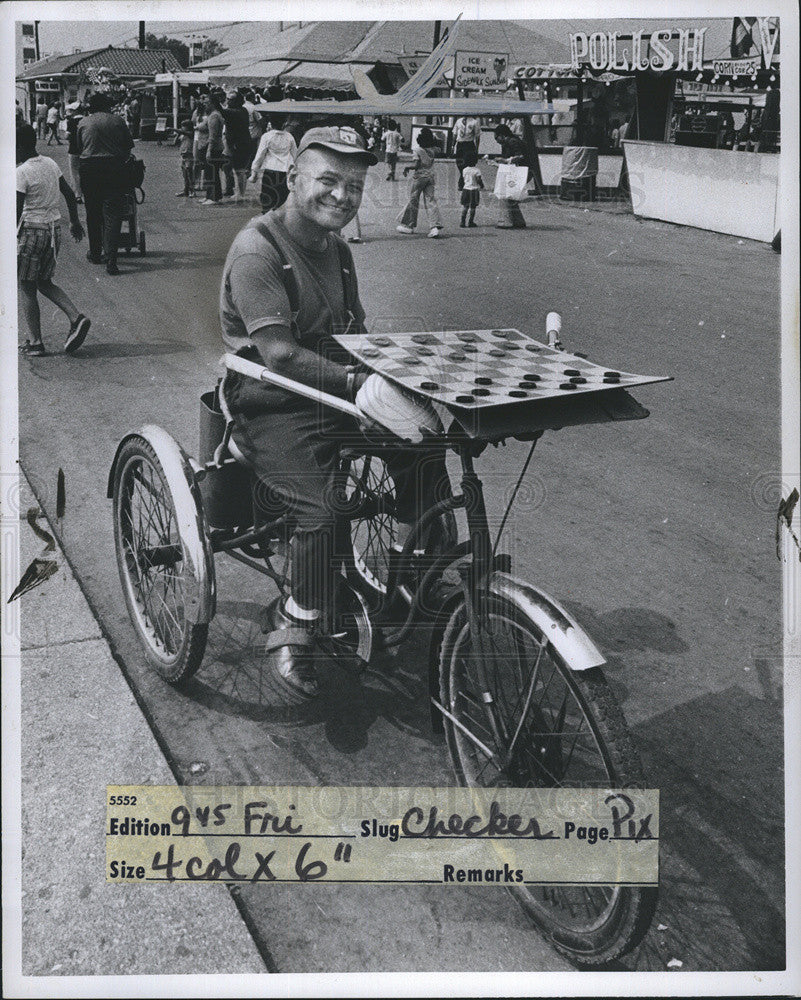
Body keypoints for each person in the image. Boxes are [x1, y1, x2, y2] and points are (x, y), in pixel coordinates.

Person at [218, 125, 449, 700]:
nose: (342, 196)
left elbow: (357, 334)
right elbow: (278, 353)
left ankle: (405, 578)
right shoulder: (258, 249)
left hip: (337, 388)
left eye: (354, 185)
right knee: (321, 515)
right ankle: (297, 622)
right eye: (328, 181)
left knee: (426, 452)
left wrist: (399, 381)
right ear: (293, 178)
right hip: (271, 399)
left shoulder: (338, 249)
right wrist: (358, 382)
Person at [16, 124, 91, 357]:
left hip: (31, 232)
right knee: (44, 282)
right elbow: (69, 195)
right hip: (52, 232)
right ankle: (76, 317)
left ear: (19, 146)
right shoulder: (50, 163)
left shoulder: (21, 172)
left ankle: (36, 342)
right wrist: (75, 223)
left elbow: (16, 211)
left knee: (27, 287)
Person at [77, 91, 134, 275]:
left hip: (89, 170)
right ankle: (112, 259)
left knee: (93, 213)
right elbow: (128, 148)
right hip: (114, 170)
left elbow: (78, 150)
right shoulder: (118, 121)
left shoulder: (83, 122)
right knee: (113, 214)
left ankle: (95, 253)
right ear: (107, 106)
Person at [396, 127, 443, 238]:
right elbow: (440, 147)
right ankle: (434, 226)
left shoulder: (417, 150)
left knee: (413, 199)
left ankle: (409, 225)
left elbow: (416, 165)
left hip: (419, 178)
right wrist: (434, 139)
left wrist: (407, 167)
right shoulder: (434, 150)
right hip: (430, 177)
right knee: (430, 200)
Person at [249, 119, 297, 213]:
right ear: (284, 123)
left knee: (268, 196)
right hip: (284, 170)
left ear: (270, 124)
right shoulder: (289, 136)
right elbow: (295, 154)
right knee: (282, 196)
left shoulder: (267, 136)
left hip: (270, 169)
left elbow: (260, 155)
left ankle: (267, 216)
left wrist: (254, 172)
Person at [493, 123, 528, 229]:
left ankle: (506, 221)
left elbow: (520, 156)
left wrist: (504, 160)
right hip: (516, 170)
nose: (496, 140)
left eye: (497, 137)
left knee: (507, 194)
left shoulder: (512, 142)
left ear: (502, 135)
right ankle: (518, 220)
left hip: (518, 170)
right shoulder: (510, 142)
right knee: (511, 195)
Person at [222, 92, 251, 202]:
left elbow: (223, 111)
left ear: (236, 101)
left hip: (239, 144)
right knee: (239, 170)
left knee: (239, 171)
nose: (228, 101)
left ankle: (240, 194)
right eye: (227, 99)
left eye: (230, 99)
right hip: (241, 143)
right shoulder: (242, 110)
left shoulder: (237, 111)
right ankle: (240, 192)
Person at [199, 92, 226, 204]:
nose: (205, 105)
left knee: (212, 172)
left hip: (213, 147)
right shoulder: (213, 115)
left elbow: (213, 136)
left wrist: (209, 150)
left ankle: (213, 197)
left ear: (212, 104)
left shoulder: (214, 116)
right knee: (209, 172)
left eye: (207, 103)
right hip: (212, 146)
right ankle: (210, 195)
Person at [453, 115, 481, 189]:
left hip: (469, 144)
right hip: (460, 144)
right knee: (459, 163)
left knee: (467, 163)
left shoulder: (474, 122)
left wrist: (477, 148)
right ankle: (464, 179)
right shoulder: (459, 121)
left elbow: (477, 136)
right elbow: (455, 133)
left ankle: (462, 182)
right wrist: (453, 146)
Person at [459, 146, 484, 228]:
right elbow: (479, 180)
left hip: (466, 189)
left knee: (465, 206)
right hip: (474, 190)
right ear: (476, 160)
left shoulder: (464, 170)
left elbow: (463, 179)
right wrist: (482, 185)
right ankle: (471, 221)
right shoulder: (477, 170)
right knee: (473, 207)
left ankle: (462, 221)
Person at [64, 100, 84, 203]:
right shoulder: (86, 120)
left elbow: (67, 136)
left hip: (73, 150)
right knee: (84, 172)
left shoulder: (71, 122)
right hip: (85, 150)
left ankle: (78, 195)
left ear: (75, 111)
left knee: (74, 172)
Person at [192, 100, 209, 197]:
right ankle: (196, 183)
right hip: (197, 138)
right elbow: (192, 123)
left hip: (205, 138)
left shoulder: (208, 113)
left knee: (205, 161)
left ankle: (204, 183)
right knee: (196, 162)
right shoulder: (196, 112)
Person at [175, 120, 195, 197]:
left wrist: (174, 130)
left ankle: (192, 191)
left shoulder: (190, 134)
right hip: (183, 154)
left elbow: (187, 133)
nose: (182, 128)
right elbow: (175, 142)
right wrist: (177, 135)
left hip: (189, 154)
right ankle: (186, 190)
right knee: (185, 174)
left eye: (184, 126)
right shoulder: (183, 135)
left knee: (189, 173)